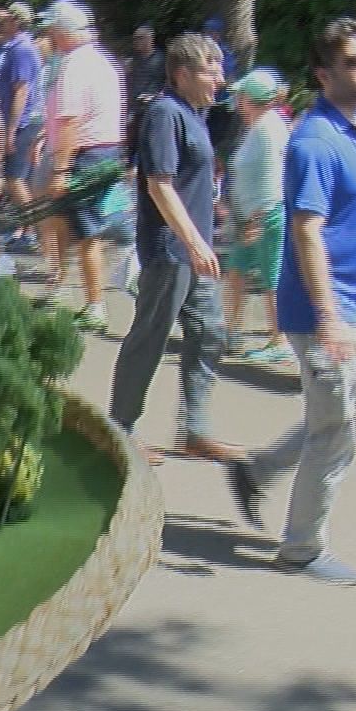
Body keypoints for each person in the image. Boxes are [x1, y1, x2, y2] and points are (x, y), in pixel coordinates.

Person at [225, 18, 356, 587]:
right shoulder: (317, 141)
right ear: (323, 74)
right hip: (327, 318)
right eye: (354, 62)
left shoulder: (352, 130)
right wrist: (331, 320)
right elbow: (307, 232)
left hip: (355, 313)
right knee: (335, 429)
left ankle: (263, 467)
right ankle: (301, 548)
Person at [109, 31, 233, 466]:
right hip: (171, 250)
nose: (220, 77)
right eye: (210, 69)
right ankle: (119, 430)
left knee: (209, 332)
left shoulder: (193, 113)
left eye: (220, 67)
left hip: (195, 250)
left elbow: (190, 181)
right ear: (182, 74)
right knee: (149, 338)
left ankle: (195, 429)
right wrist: (194, 242)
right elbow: (158, 184)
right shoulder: (164, 113)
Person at [41, 0, 125, 332]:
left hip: (85, 155)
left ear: (62, 32)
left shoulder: (74, 66)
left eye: (51, 29)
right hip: (105, 152)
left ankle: (95, 305)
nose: (47, 34)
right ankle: (61, 285)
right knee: (64, 221)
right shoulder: (104, 62)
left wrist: (61, 170)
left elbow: (70, 122)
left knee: (89, 233)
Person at [225, 68, 292, 364]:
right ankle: (232, 330)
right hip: (250, 215)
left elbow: (270, 179)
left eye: (240, 96)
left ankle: (281, 338)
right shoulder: (259, 126)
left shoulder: (267, 129)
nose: (236, 100)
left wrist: (256, 219)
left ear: (249, 98)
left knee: (271, 276)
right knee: (237, 270)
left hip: (264, 215)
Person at [0, 1, 44, 254]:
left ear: (16, 21)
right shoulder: (17, 48)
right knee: (17, 180)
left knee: (14, 180)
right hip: (22, 122)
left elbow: (21, 91)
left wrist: (10, 131)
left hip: (23, 123)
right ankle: (25, 229)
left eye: (4, 19)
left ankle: (32, 232)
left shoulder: (21, 50)